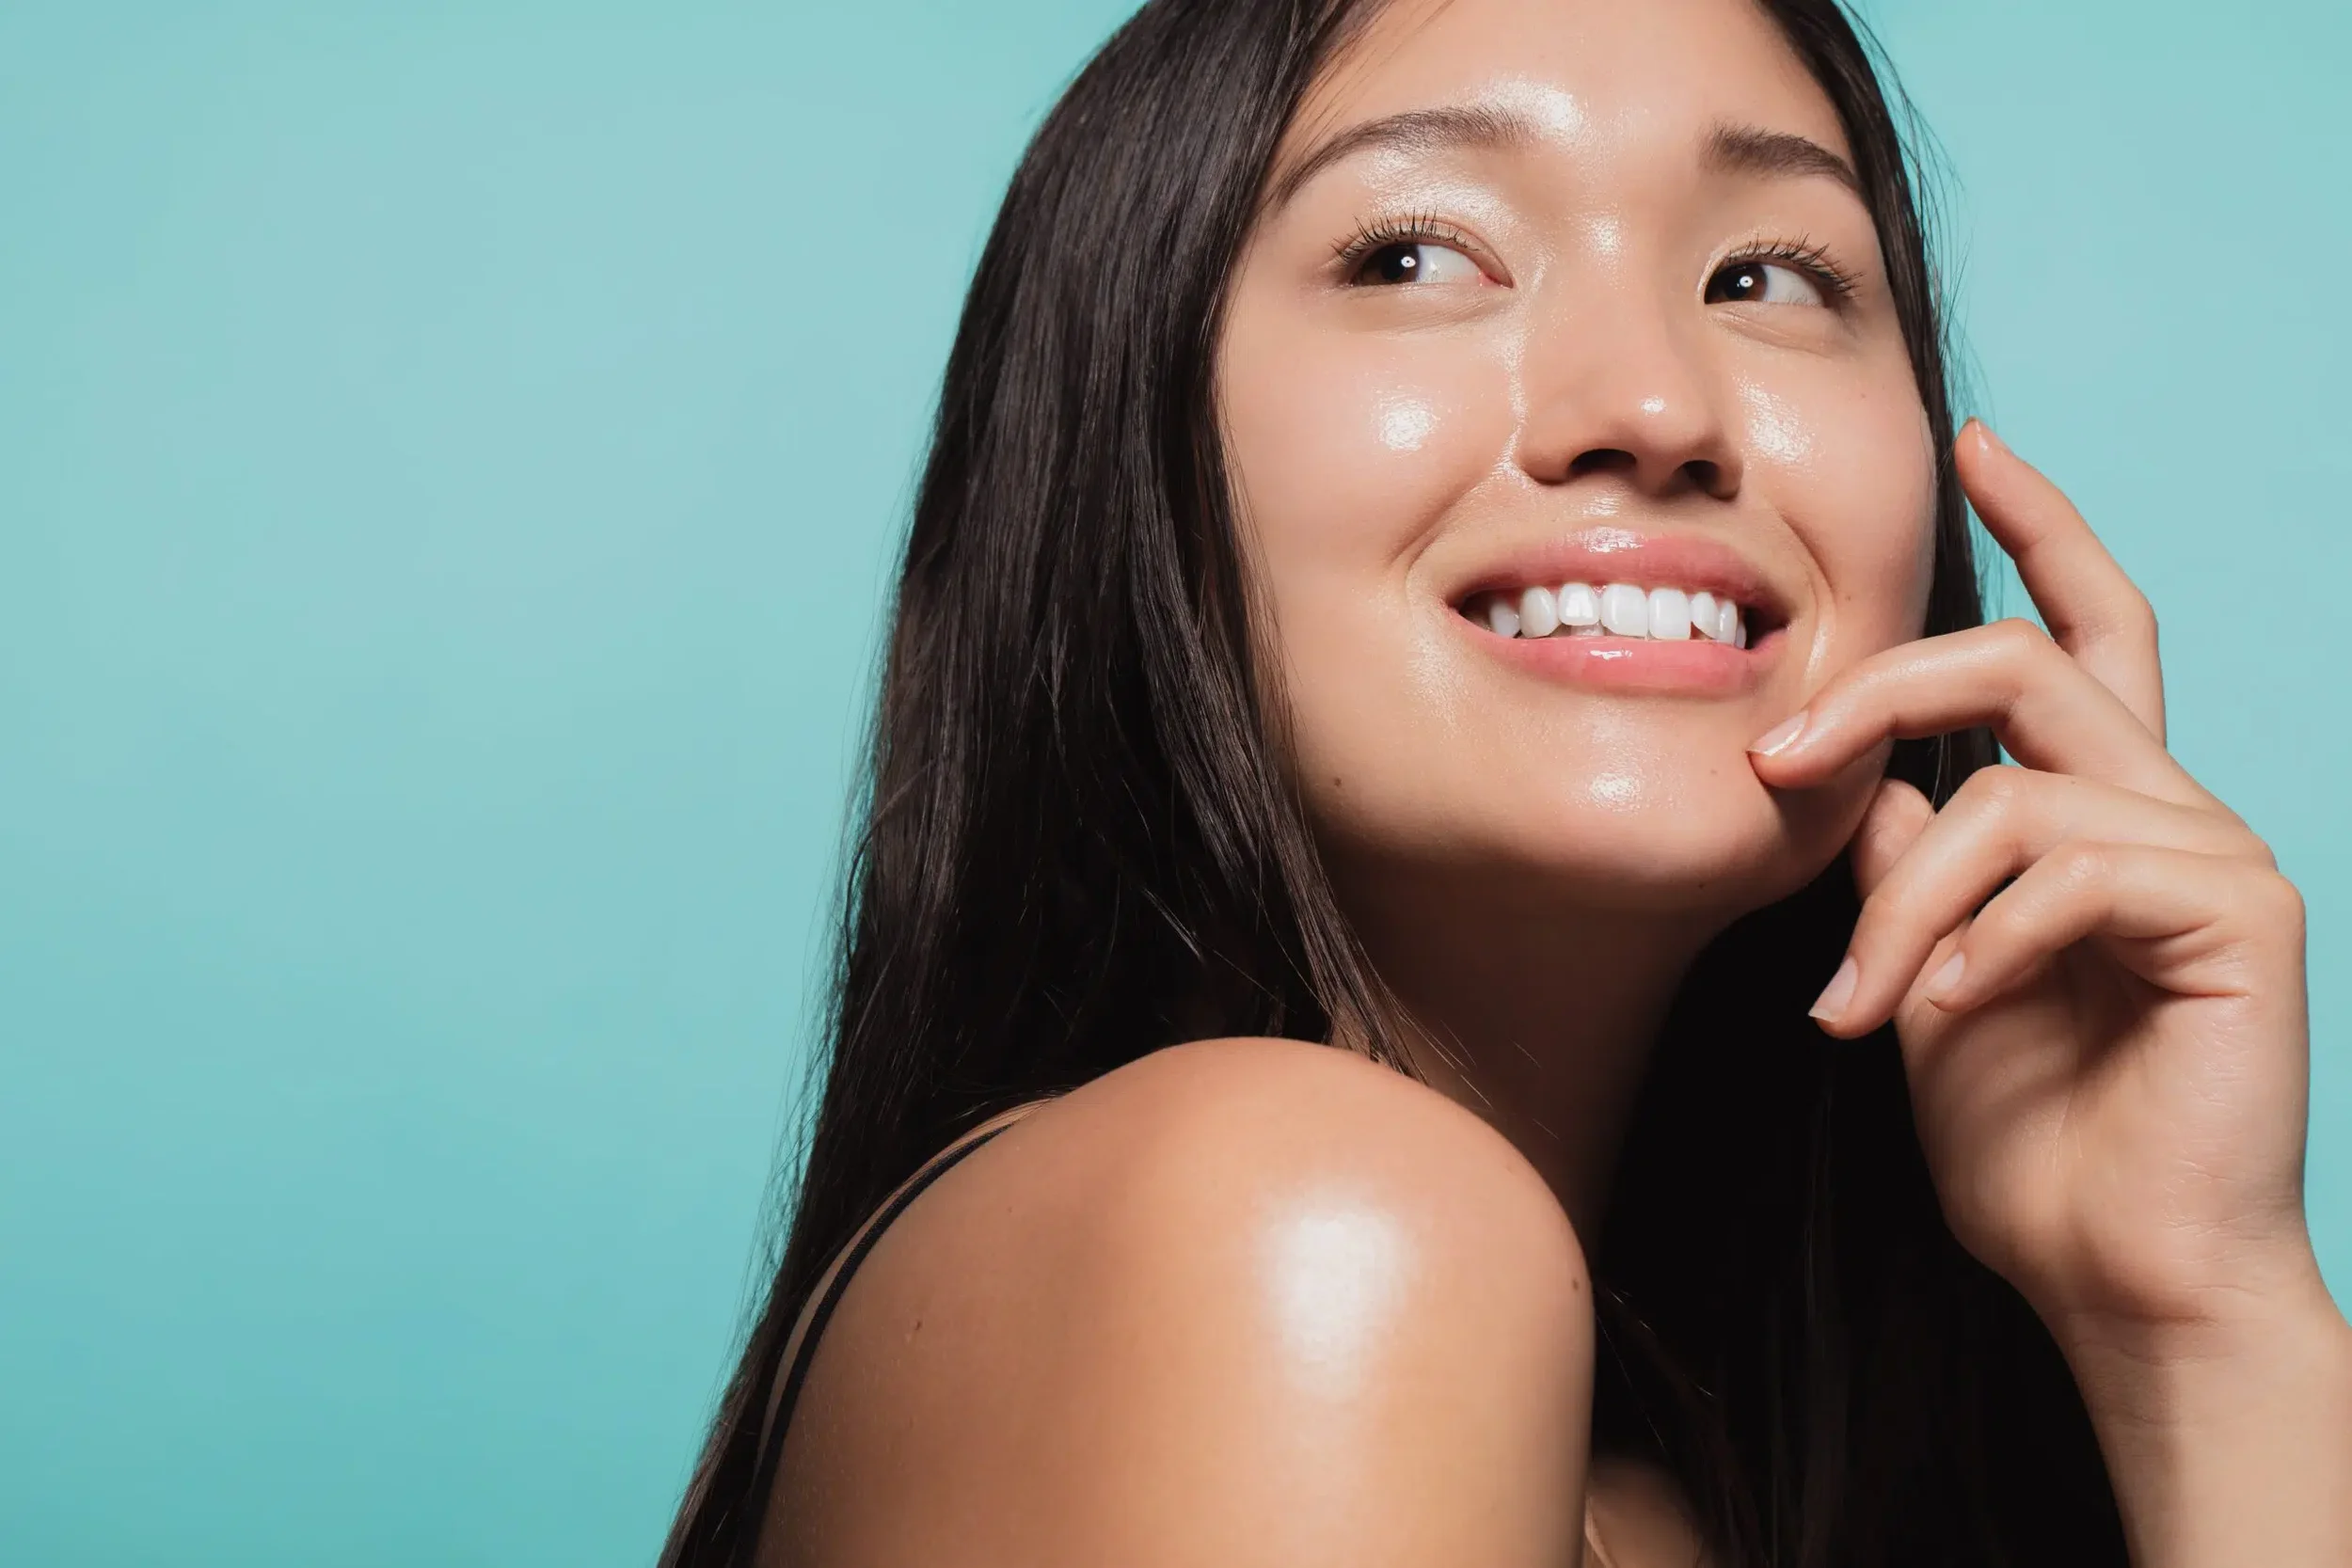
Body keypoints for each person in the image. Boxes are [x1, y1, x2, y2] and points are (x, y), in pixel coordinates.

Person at [662, 0, 2351, 1561]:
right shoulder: (1295, 1235)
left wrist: (2197, 1318)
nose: (1654, 402)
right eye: (1416, 250)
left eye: (1767, 276)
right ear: (1127, 431)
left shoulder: (1700, 1454)